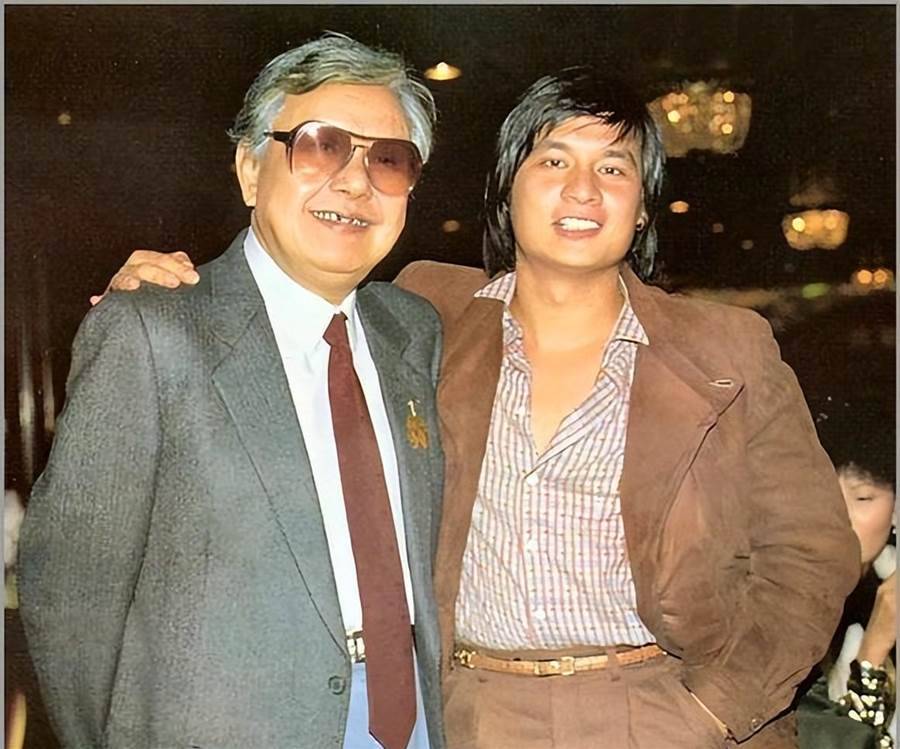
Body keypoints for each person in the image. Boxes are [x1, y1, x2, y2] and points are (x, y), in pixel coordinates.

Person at [101, 68, 861, 748]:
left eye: (614, 167)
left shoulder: (726, 349)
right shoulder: (420, 317)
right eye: (553, 161)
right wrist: (177, 295)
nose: (583, 190)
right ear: (507, 188)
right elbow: (288, 307)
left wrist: (718, 710)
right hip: (473, 713)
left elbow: (811, 550)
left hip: (661, 705)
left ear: (641, 205)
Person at [18, 34, 446, 749]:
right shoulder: (153, 332)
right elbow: (69, 598)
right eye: (321, 147)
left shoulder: (416, 331)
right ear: (250, 170)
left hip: (413, 722)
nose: (355, 182)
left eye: (388, 159)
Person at [797, 401, 896, 749]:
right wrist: (873, 652)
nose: (840, 516)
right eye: (822, 495)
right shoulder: (781, 605)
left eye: (863, 497)